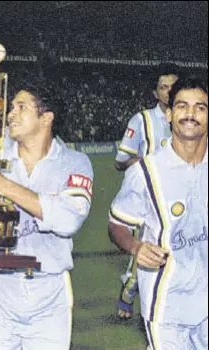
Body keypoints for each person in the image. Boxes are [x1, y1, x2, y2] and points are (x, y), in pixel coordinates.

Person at [0, 83, 93, 349]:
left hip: (48, 292)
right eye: (11, 107)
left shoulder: (75, 163)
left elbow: (68, 221)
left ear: (46, 117)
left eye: (21, 107)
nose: (11, 114)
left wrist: (5, 186)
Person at [108, 76, 208, 349]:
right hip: (167, 306)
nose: (191, 114)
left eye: (200, 107)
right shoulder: (145, 171)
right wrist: (135, 246)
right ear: (168, 113)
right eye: (182, 106)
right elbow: (117, 225)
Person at [113, 64, 179, 320]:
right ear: (155, 92)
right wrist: (150, 169)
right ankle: (129, 292)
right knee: (146, 255)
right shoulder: (142, 121)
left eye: (173, 87)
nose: (168, 92)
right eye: (163, 87)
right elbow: (120, 160)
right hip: (149, 202)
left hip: (182, 200)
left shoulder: (191, 119)